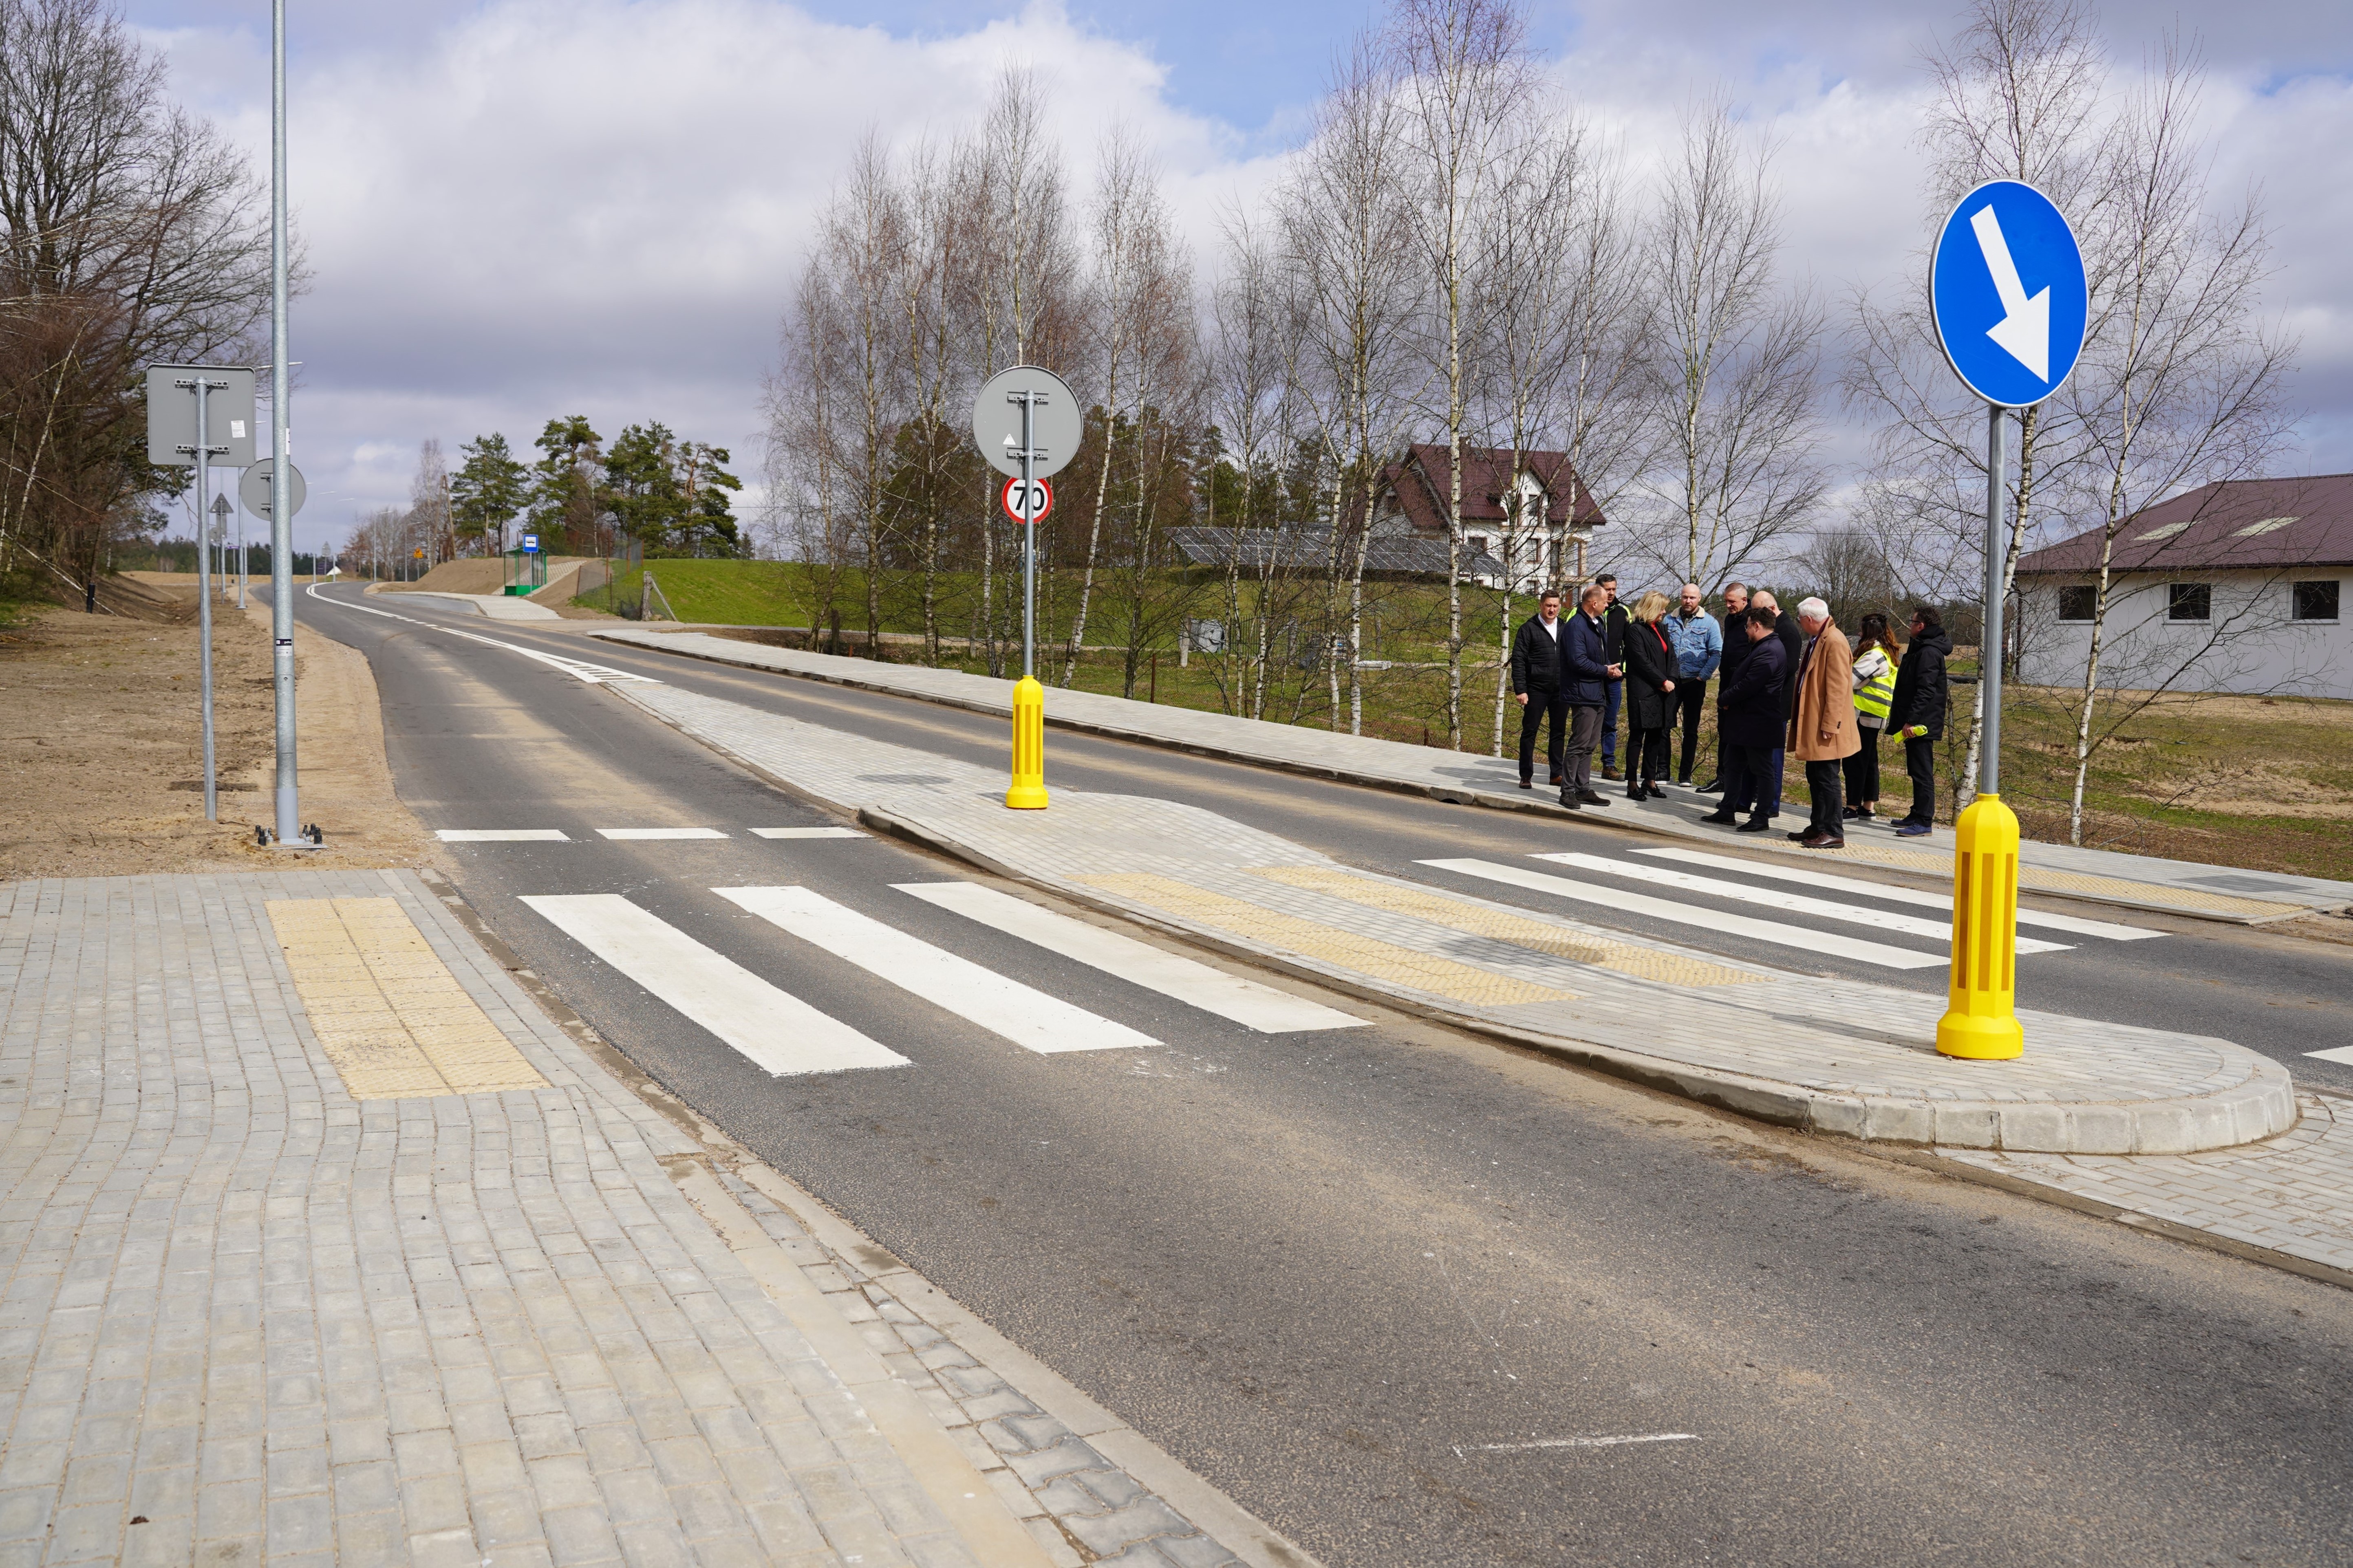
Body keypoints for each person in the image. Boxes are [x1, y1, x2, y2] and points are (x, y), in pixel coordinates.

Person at [1698, 606, 1786, 833]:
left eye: (1748, 627)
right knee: (1733, 765)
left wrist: (1724, 698)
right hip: (1744, 722)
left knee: (1763, 771)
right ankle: (1728, 810)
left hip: (1759, 723)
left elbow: (1751, 684)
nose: (1746, 631)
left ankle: (1761, 817)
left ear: (1757, 626)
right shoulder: (1762, 647)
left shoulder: (1770, 650)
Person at [1787, 597, 1859, 848]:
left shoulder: (1835, 641)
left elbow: (1839, 688)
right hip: (1817, 723)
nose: (1800, 624)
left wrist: (1830, 725)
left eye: (1800, 620)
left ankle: (1833, 831)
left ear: (1808, 619)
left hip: (1827, 727)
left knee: (1827, 777)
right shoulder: (1822, 638)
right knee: (1815, 775)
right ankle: (1818, 826)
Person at [1887, 604, 1952, 837]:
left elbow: (1925, 691)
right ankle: (1916, 813)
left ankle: (1924, 821)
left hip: (1921, 724)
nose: (1909, 626)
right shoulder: (1921, 648)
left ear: (1921, 626)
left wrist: (1911, 721)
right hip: (1916, 720)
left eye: (1912, 622)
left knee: (1923, 771)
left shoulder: (1929, 652)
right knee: (1916, 769)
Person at [1557, 583, 1618, 810]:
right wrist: (1605, 670)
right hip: (1583, 693)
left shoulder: (1596, 623)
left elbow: (1599, 655)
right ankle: (1568, 791)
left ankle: (1583, 788)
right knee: (1579, 743)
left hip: (1598, 692)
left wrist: (1610, 668)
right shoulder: (1576, 626)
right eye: (1604, 602)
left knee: (1591, 744)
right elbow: (1577, 661)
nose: (1606, 605)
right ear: (1594, 603)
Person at [1618, 590, 1677, 800]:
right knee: (1637, 737)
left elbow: (1672, 657)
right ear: (1651, 608)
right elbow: (1642, 662)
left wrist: (1671, 680)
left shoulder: (1661, 628)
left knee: (1656, 737)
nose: (1664, 612)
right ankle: (1632, 783)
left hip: (1664, 692)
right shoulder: (1635, 630)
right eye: (1661, 608)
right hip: (1644, 691)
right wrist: (1662, 681)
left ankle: (1650, 780)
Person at [1662, 582, 1722, 787]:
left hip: (1694, 682)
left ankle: (1685, 775)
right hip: (1672, 682)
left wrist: (1702, 677)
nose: (1688, 601)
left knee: (1691, 730)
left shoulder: (1710, 623)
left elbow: (1716, 653)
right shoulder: (1668, 620)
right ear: (1681, 597)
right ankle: (1663, 771)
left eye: (1693, 598)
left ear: (1699, 599)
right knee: (1664, 725)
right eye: (1685, 597)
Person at [1509, 589, 1570, 790]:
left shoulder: (1565, 628)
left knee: (1558, 732)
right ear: (1541, 605)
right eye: (1548, 606)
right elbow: (1518, 661)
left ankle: (1556, 774)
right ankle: (1526, 775)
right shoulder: (1528, 629)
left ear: (1560, 606)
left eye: (1555, 606)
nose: (1552, 609)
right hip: (1536, 689)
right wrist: (1521, 689)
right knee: (1530, 732)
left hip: (1561, 690)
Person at [1844, 612, 1899, 824]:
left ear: (1868, 633)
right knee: (1869, 761)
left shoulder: (1874, 656)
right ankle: (1868, 807)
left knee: (1855, 761)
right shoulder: (1886, 653)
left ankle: (1852, 807)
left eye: (1861, 630)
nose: (1858, 633)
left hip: (1863, 715)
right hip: (1873, 715)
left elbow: (1849, 681)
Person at [1698, 582, 1750, 792]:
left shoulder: (1752, 620)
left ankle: (1744, 785)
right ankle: (1722, 778)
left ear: (1745, 601)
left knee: (1742, 737)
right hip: (1726, 684)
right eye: (1726, 601)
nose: (1728, 605)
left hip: (1741, 687)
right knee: (1724, 732)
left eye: (1732, 601)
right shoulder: (1730, 620)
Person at [1592, 572, 1630, 780]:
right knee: (1586, 722)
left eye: (1614, 590)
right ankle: (1580, 764)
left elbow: (1631, 645)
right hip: (1591, 677)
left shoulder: (1623, 612)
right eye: (1608, 590)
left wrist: (1623, 671)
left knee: (1611, 722)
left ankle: (1609, 765)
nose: (1612, 594)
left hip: (1614, 679)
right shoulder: (1584, 611)